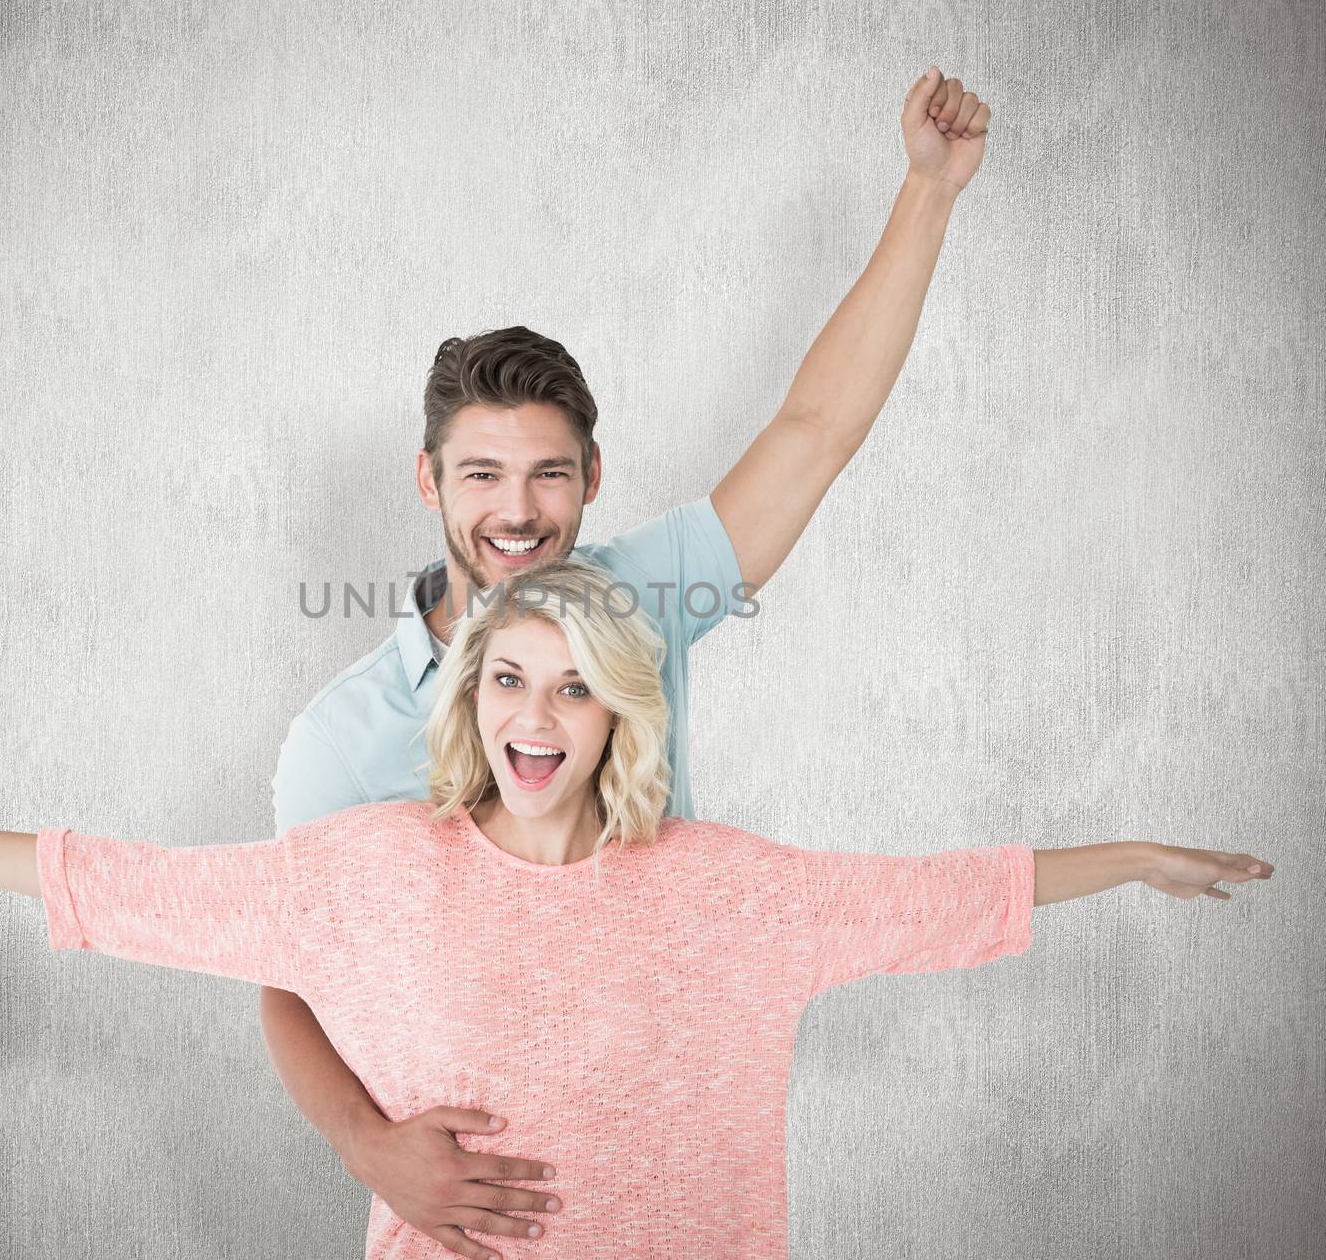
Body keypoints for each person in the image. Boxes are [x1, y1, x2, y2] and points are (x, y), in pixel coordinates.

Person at [0, 558, 1274, 1260]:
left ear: (619, 715)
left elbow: (954, 897)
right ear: (475, 701)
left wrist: (1132, 855)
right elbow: (125, 885)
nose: (538, 716)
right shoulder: (375, 867)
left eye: (573, 687)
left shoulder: (728, 886)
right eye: (507, 678)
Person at [263, 64, 993, 1254]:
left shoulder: (645, 598)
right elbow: (287, 973)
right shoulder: (338, 739)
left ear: (591, 481)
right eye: (481, 475)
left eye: (548, 473)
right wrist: (364, 1141)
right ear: (427, 481)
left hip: (679, 1196)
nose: (516, 511)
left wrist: (927, 192)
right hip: (482, 1226)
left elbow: (814, 434)